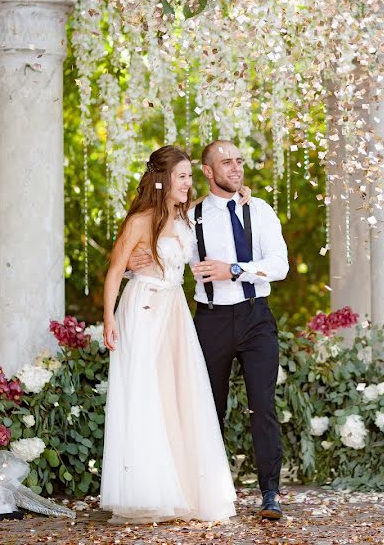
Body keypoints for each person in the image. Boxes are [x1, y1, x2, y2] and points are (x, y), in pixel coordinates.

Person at [127, 140, 289, 520]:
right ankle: (210, 492)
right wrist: (138, 259)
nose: (235, 168)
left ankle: (270, 494)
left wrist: (235, 269)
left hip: (256, 318)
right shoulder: (189, 214)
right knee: (206, 407)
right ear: (208, 171)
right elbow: (160, 243)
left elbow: (279, 263)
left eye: (238, 161)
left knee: (262, 406)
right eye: (226, 162)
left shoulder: (259, 209)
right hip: (210, 319)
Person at [100, 145, 242, 523]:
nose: (187, 183)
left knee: (180, 394)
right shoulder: (139, 221)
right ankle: (151, 491)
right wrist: (109, 320)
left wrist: (241, 193)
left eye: (190, 177)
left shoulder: (185, 216)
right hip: (144, 308)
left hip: (176, 310)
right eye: (181, 177)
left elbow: (217, 204)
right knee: (150, 394)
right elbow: (115, 271)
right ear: (162, 179)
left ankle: (184, 488)